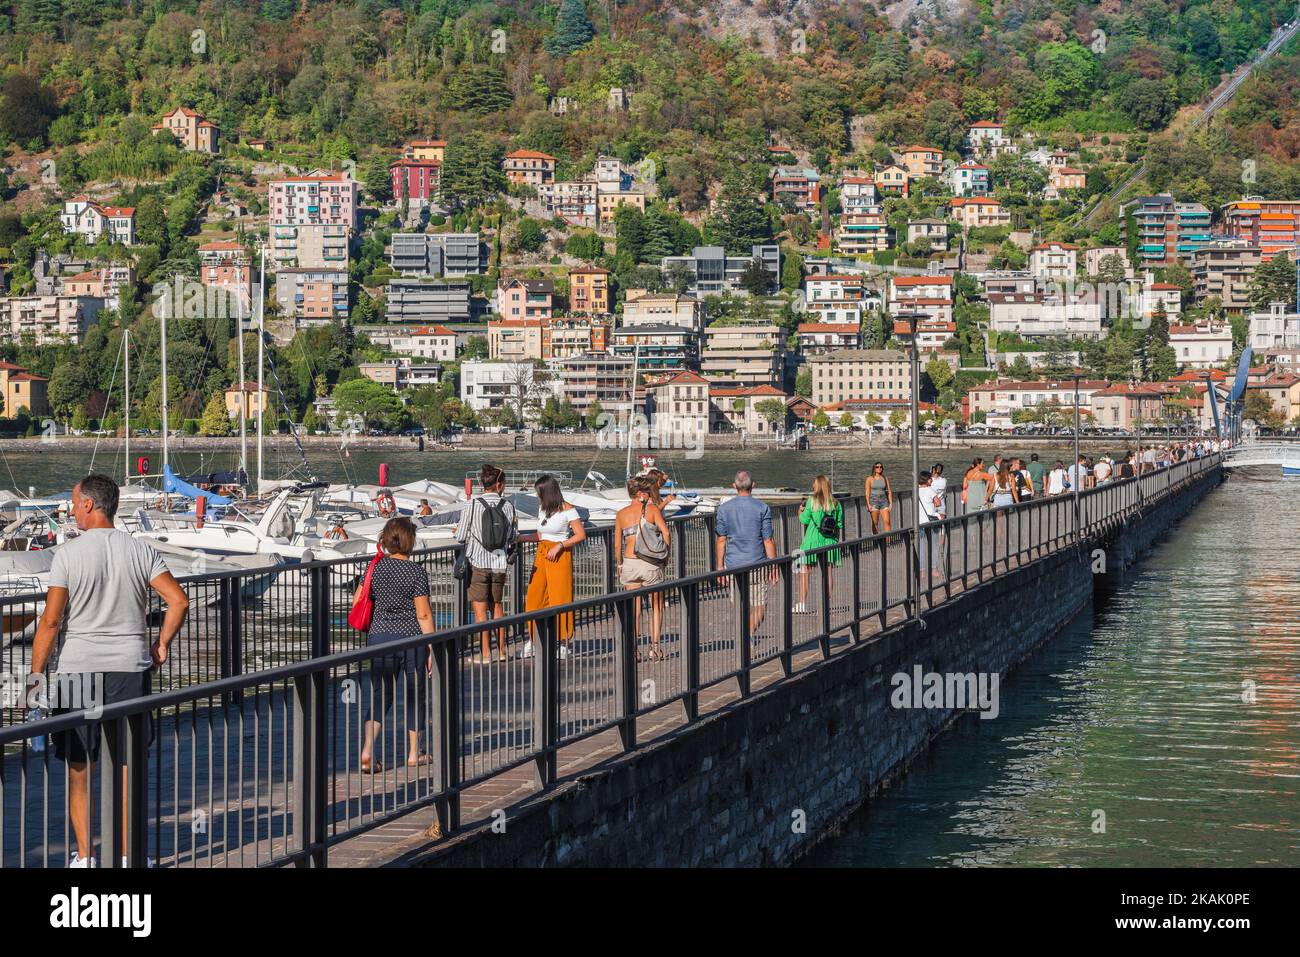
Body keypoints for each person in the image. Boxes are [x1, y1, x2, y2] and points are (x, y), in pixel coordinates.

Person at [30, 474, 191, 869]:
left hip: (78, 672)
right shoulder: (139, 550)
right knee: (125, 767)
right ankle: (125, 854)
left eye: (73, 502)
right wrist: (162, 644)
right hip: (128, 670)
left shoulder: (68, 555)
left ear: (88, 505)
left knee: (79, 769)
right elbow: (179, 602)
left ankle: (85, 857)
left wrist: (35, 681)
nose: (71, 510)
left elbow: (50, 623)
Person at [355, 516, 436, 773]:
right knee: (415, 695)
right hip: (411, 638)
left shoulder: (373, 568)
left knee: (381, 695)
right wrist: (431, 645)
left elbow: (359, 599)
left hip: (379, 638)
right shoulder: (416, 572)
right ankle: (414, 754)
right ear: (410, 541)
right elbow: (423, 614)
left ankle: (368, 749)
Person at [455, 464, 517, 663]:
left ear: (484, 484)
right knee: (497, 607)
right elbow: (512, 535)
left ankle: (485, 654)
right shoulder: (508, 506)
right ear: (499, 484)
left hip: (478, 564)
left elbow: (461, 536)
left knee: (480, 611)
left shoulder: (472, 505)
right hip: (499, 563)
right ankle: (502, 652)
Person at [521, 474, 586, 659]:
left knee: (561, 597)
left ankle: (564, 642)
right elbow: (541, 535)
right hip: (542, 554)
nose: (537, 496)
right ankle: (533, 638)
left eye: (539, 492)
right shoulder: (543, 509)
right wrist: (521, 538)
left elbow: (580, 535)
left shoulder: (568, 510)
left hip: (559, 555)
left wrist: (561, 545)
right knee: (535, 597)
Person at [615, 475, 671, 661]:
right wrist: (666, 555)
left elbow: (617, 545)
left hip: (629, 563)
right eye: (647, 492)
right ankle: (655, 649)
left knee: (634, 609)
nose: (649, 494)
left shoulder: (621, 514)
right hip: (650, 563)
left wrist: (620, 564)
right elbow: (666, 532)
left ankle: (633, 650)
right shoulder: (652, 509)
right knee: (656, 606)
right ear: (639, 493)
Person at [714, 470, 777, 636]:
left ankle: (743, 636)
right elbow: (768, 540)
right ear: (753, 485)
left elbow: (721, 539)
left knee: (739, 605)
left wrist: (720, 567)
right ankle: (746, 634)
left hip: (733, 565)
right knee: (760, 606)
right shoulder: (762, 508)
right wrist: (773, 566)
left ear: (734, 486)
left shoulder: (724, 509)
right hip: (757, 563)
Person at [795, 474, 842, 614]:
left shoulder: (812, 501)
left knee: (805, 571)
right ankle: (825, 604)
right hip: (829, 540)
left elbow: (804, 520)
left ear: (817, 485)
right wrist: (835, 541)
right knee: (828, 572)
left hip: (812, 541)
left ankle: (802, 603)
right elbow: (838, 524)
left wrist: (799, 512)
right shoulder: (835, 503)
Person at [865, 462, 893, 533]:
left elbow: (889, 491)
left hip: (884, 501)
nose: (879, 468)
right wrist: (868, 505)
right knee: (875, 523)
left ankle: (888, 542)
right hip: (874, 502)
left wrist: (891, 503)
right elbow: (867, 493)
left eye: (881, 467)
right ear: (874, 468)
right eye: (877, 467)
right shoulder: (869, 479)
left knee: (887, 522)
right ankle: (876, 542)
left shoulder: (885, 478)